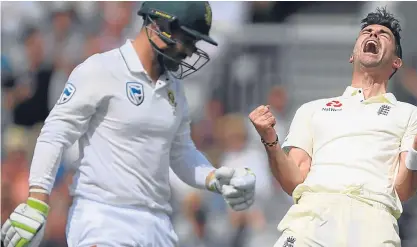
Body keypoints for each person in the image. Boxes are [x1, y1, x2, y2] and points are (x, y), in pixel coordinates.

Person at [1, 2, 256, 247]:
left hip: (158, 226)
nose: (190, 51)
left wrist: (214, 178)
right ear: (157, 26)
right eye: (187, 39)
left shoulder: (175, 89)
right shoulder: (101, 69)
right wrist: (37, 201)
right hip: (104, 218)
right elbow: (55, 134)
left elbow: (180, 152)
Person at [249, 8, 417, 247]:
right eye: (367, 31)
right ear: (353, 54)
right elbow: (294, 180)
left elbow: (402, 191)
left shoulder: (408, 114)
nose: (373, 34)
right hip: (312, 219)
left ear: (396, 61)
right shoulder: (312, 109)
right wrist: (270, 139)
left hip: (372, 222)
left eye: (383, 34)